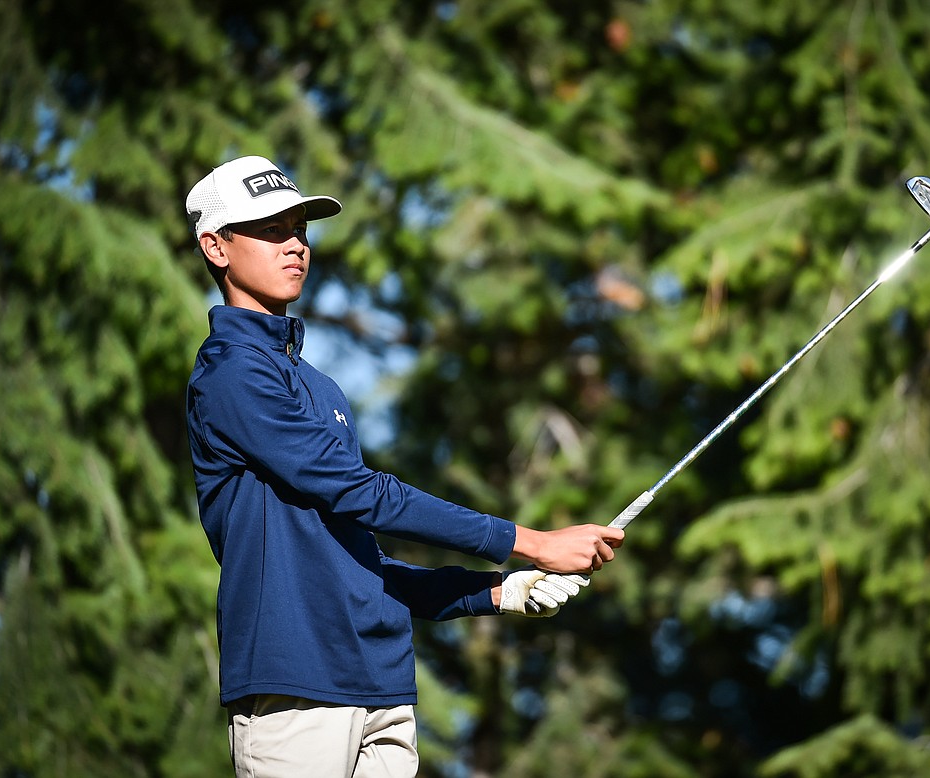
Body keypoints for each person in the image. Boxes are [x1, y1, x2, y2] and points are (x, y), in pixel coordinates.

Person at [184, 155, 623, 777]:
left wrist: (495, 590)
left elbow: (358, 563)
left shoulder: (322, 389)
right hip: (296, 687)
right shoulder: (230, 375)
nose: (295, 246)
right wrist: (530, 543)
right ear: (216, 247)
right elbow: (367, 495)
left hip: (382, 687)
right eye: (271, 230)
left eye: (300, 229)